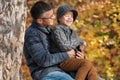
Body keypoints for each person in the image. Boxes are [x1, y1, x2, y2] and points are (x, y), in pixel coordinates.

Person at [23, 1, 76, 80]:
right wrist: (67, 55)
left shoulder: (51, 29)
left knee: (93, 76)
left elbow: (63, 47)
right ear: (40, 20)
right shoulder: (32, 35)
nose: (54, 17)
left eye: (53, 14)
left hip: (62, 68)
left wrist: (78, 54)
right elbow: (43, 60)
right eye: (50, 17)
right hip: (45, 72)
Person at [50, 5, 100, 80]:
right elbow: (65, 46)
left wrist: (81, 54)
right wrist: (79, 40)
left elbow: (74, 47)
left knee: (91, 68)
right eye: (67, 16)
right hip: (62, 61)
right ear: (59, 18)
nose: (70, 18)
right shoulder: (57, 29)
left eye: (71, 16)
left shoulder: (73, 32)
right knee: (86, 63)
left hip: (73, 60)